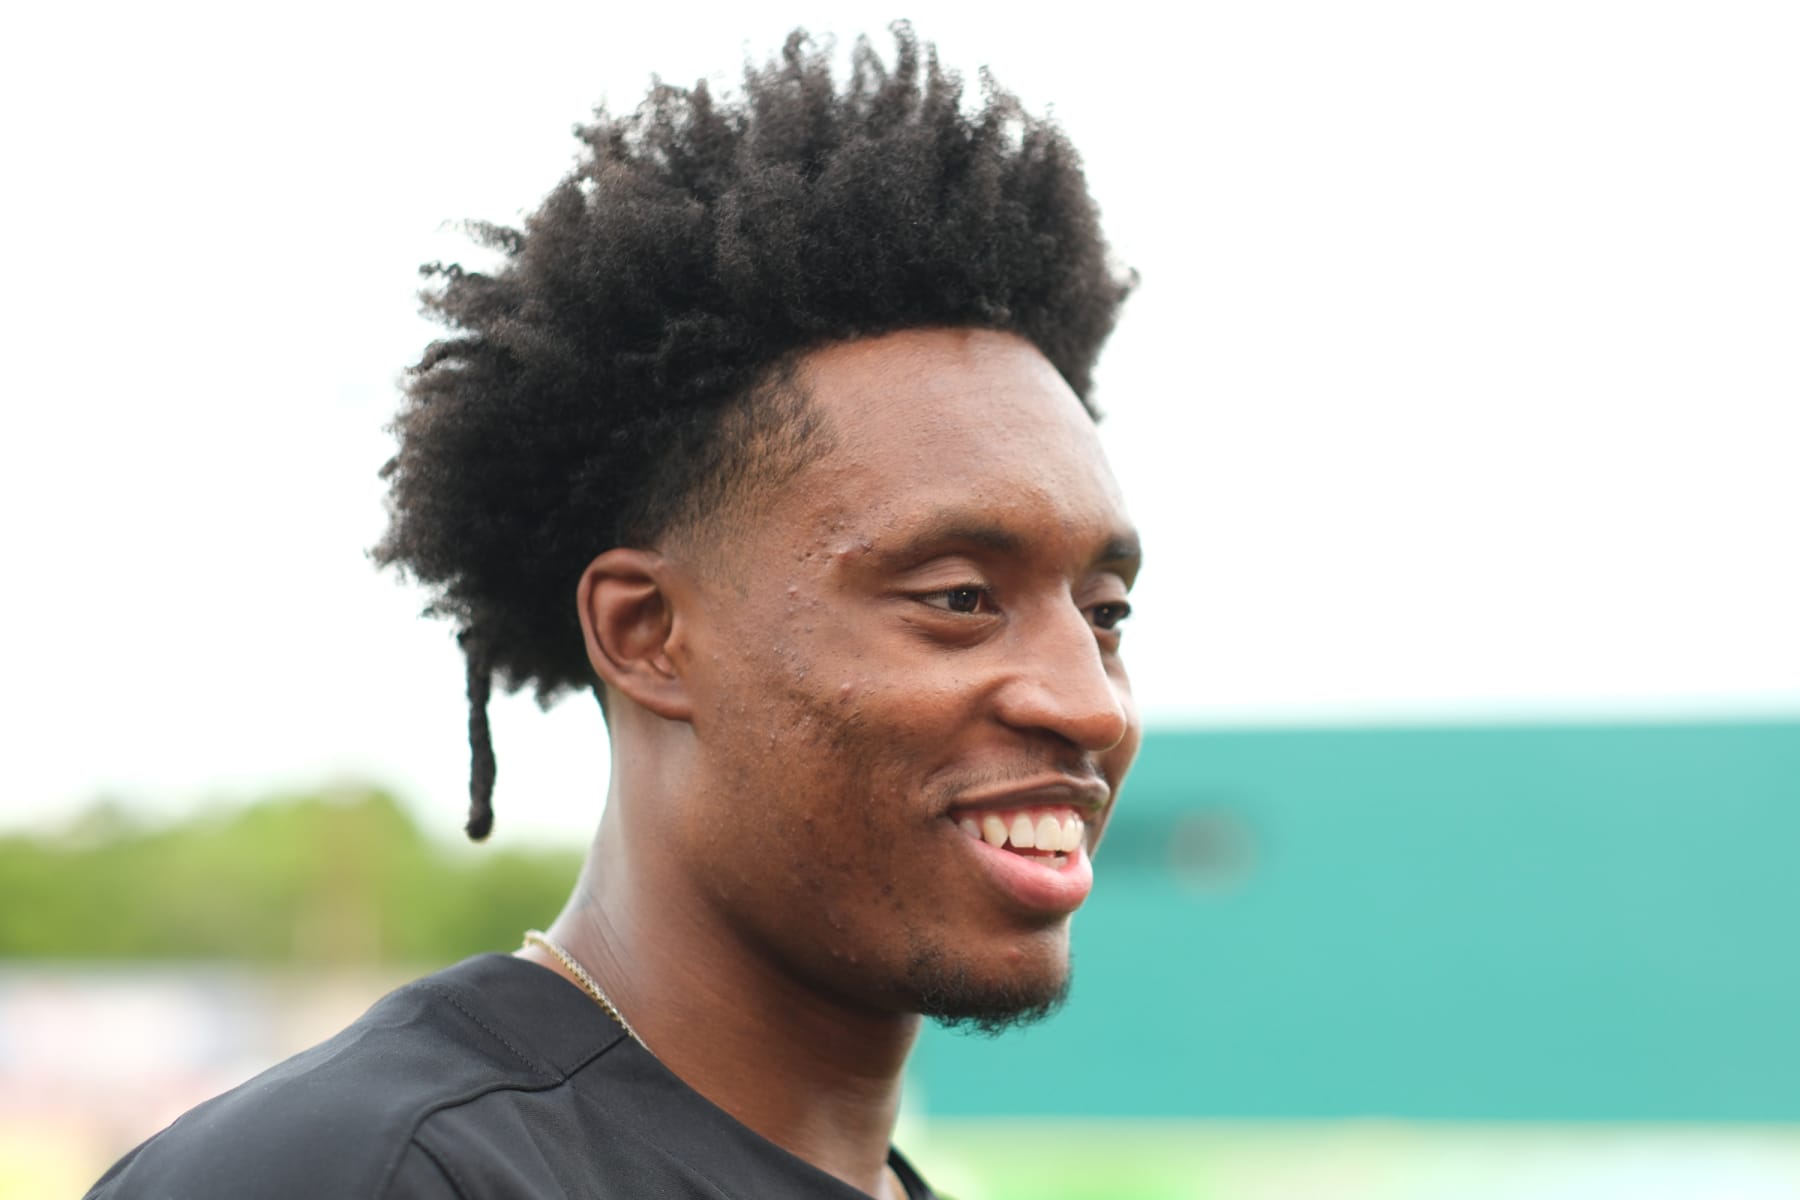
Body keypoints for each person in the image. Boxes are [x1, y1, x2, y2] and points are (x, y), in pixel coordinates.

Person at [87, 24, 1141, 1200]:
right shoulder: (365, 1176)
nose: (1087, 704)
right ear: (647, 635)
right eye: (959, 598)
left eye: (1104, 615)